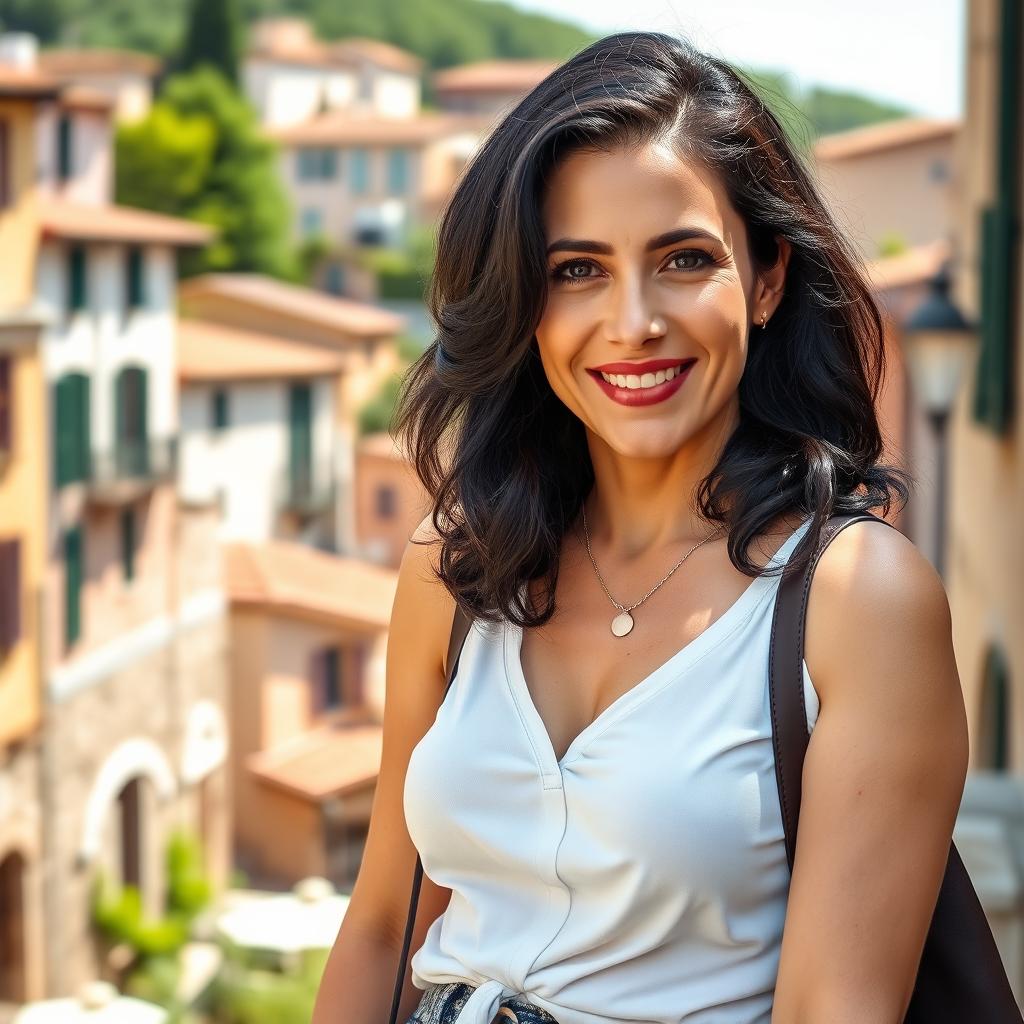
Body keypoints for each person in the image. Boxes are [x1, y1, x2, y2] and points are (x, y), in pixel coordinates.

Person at [312, 30, 968, 1024]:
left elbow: (833, 1008)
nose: (631, 322)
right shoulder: (456, 570)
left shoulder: (854, 600)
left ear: (765, 278)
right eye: (577, 269)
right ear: (524, 300)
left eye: (682, 260)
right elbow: (380, 930)